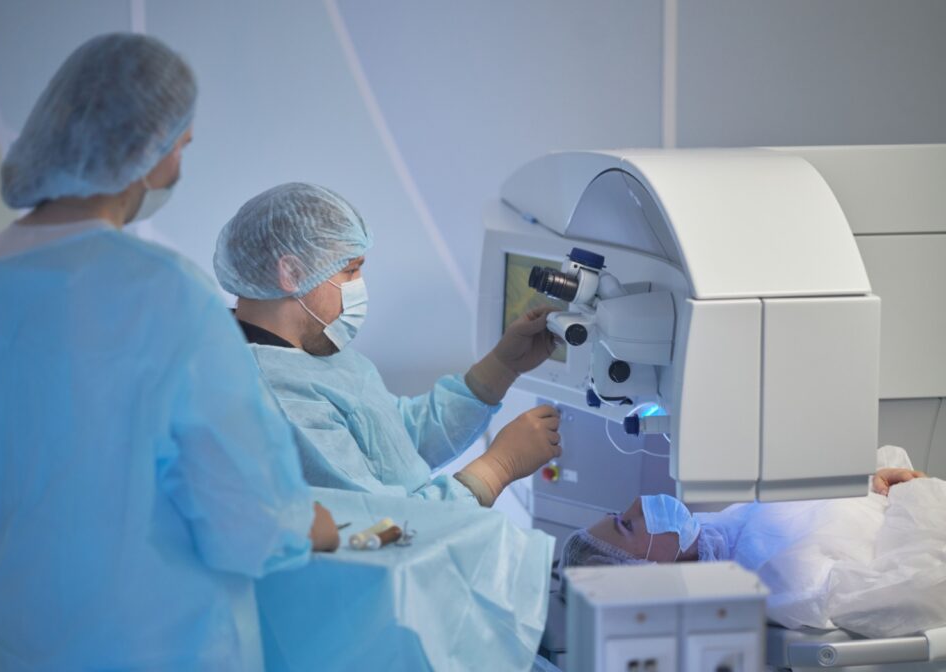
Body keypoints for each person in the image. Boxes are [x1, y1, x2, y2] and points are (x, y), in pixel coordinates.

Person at [0, 34, 337, 671]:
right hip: (158, 647)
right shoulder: (164, 292)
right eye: (181, 144)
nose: (178, 165)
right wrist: (306, 525)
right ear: (143, 148)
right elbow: (249, 520)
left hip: (26, 642)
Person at [213, 182, 562, 506]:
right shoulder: (275, 396)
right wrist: (497, 468)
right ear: (292, 273)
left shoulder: (311, 353)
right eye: (351, 270)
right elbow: (385, 526)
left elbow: (398, 444)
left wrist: (502, 366)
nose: (359, 285)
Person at [560, 446, 944, 638]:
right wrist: (911, 494)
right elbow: (925, 587)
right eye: (627, 525)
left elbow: (831, 506)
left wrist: (873, 478)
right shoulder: (782, 584)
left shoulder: (726, 530)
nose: (638, 504)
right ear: (650, 577)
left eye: (619, 514)